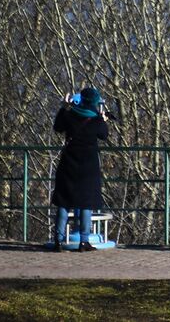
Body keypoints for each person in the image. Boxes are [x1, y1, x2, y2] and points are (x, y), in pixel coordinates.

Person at [50, 87, 108, 252]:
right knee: (86, 204)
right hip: (88, 167)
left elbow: (58, 127)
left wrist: (64, 107)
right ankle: (84, 241)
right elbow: (104, 135)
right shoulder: (96, 120)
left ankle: (58, 241)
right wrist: (102, 119)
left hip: (68, 164)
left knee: (64, 202)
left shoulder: (69, 115)